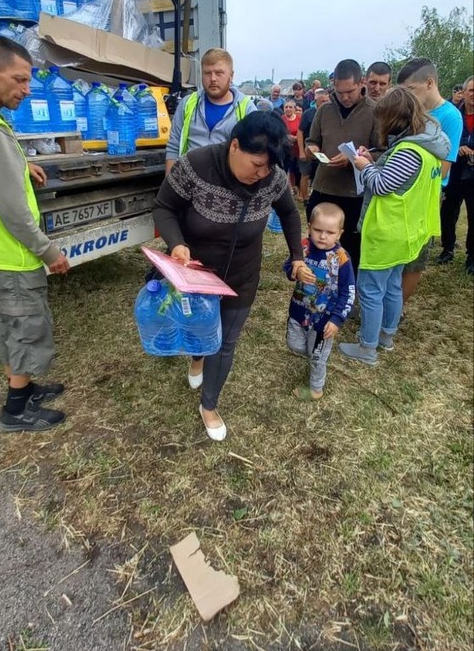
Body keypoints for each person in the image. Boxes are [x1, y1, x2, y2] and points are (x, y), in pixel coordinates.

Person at [152, 111, 305, 441]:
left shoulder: (272, 177)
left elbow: (290, 212)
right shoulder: (196, 165)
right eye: (256, 165)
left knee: (225, 342)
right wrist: (177, 244)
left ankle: (209, 404)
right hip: (197, 274)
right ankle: (196, 358)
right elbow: (163, 207)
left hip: (242, 273)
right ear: (234, 145)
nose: (262, 174)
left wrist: (297, 255)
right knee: (200, 328)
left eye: (269, 168)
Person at [0, 38, 70, 432]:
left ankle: (26, 388)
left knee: (8, 328)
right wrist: (47, 250)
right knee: (24, 330)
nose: (26, 90)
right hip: (12, 256)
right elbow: (13, 211)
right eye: (19, 80)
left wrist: (23, 169)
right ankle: (16, 410)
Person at [339, 88, 450, 366]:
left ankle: (367, 347)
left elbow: (381, 185)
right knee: (392, 286)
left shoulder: (408, 150)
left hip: (388, 231)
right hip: (409, 230)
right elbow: (399, 178)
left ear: (394, 119)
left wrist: (364, 165)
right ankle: (386, 337)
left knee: (371, 289)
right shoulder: (427, 147)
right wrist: (376, 160)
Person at [397, 57, 462, 301]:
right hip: (401, 193)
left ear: (429, 83)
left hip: (426, 195)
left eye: (411, 90)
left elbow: (443, 169)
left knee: (415, 257)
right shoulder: (411, 111)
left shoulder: (450, 116)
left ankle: (398, 308)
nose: (408, 97)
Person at [305, 59, 377, 272]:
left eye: (350, 91)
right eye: (339, 91)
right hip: (323, 187)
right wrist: (312, 149)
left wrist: (357, 159)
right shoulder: (324, 110)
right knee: (319, 244)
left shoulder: (375, 112)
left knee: (351, 251)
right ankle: (317, 288)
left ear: (361, 83)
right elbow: (311, 140)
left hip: (355, 193)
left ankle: (347, 293)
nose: (344, 97)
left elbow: (382, 151)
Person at [284, 202, 355, 400]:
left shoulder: (341, 259)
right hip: (298, 312)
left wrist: (337, 319)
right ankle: (314, 355)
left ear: (339, 234)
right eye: (317, 230)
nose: (323, 236)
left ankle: (316, 388)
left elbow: (348, 292)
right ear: (309, 228)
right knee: (294, 344)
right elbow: (288, 267)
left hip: (324, 321)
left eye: (330, 232)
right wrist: (296, 271)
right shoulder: (303, 248)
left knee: (317, 357)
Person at [165, 49, 255, 172]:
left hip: (228, 185)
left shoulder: (247, 110)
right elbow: (173, 148)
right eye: (207, 73)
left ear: (231, 75)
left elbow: (254, 154)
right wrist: (170, 186)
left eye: (219, 73)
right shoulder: (187, 104)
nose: (213, 79)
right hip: (190, 182)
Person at [437, 76, 474, 274]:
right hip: (454, 170)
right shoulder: (453, 115)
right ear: (464, 92)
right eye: (471, 91)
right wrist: (458, 148)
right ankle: (447, 248)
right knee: (448, 212)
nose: (473, 95)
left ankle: (471, 256)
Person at [297, 89, 330, 202]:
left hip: (324, 150)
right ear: (316, 100)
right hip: (309, 149)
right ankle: (305, 198)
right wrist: (301, 151)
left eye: (327, 101)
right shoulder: (308, 113)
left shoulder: (331, 114)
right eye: (322, 101)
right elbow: (300, 132)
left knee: (321, 175)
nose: (325, 103)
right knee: (305, 174)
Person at [282, 99, 301, 191]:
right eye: (286, 107)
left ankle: (298, 188)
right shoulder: (281, 119)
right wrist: (287, 137)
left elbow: (303, 131)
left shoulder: (299, 118)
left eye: (290, 107)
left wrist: (297, 138)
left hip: (297, 148)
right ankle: (290, 188)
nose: (288, 109)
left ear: (294, 109)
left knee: (296, 170)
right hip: (285, 149)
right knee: (287, 169)